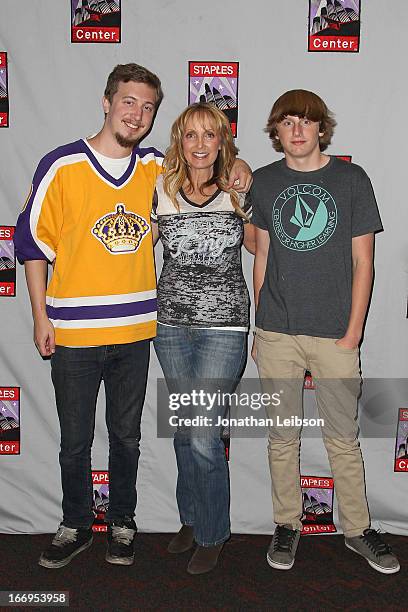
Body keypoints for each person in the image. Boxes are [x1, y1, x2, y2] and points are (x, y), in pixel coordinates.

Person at [13, 64, 252, 569]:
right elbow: (31, 245)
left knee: (128, 437)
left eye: (147, 107)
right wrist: (40, 315)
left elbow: (210, 166)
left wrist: (241, 166)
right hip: (76, 331)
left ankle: (122, 522)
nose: (137, 114)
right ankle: (75, 524)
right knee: (75, 441)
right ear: (106, 101)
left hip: (139, 330)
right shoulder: (61, 164)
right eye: (128, 102)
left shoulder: (154, 170)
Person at [251, 89, 400, 574]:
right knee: (281, 437)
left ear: (321, 128)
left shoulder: (352, 179)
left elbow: (364, 261)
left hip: (336, 334)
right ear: (277, 131)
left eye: (306, 121)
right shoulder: (265, 182)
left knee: (343, 438)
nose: (297, 130)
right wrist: (261, 325)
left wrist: (353, 331)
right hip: (278, 333)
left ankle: (357, 530)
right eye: (287, 121)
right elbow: (263, 255)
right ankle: (287, 525)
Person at [152, 102, 255, 575]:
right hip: (171, 325)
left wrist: (247, 172)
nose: (199, 144)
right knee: (183, 430)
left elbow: (262, 246)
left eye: (208, 135)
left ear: (221, 141)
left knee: (204, 435)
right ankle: (191, 519)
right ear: (179, 141)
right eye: (190, 135)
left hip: (224, 326)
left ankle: (213, 533)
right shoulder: (162, 188)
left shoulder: (238, 190)